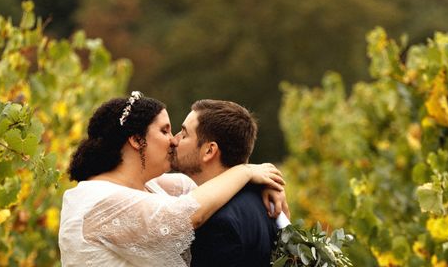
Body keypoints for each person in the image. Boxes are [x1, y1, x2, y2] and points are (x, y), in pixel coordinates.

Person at [58, 92, 285, 267]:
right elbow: (185, 213)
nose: (173, 141)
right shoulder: (98, 201)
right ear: (137, 140)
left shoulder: (149, 186)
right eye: (165, 131)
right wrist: (244, 172)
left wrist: (266, 180)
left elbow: (201, 185)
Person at [171, 99, 289, 267]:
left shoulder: (216, 222)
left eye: (184, 134)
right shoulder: (263, 201)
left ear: (209, 150)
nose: (174, 140)